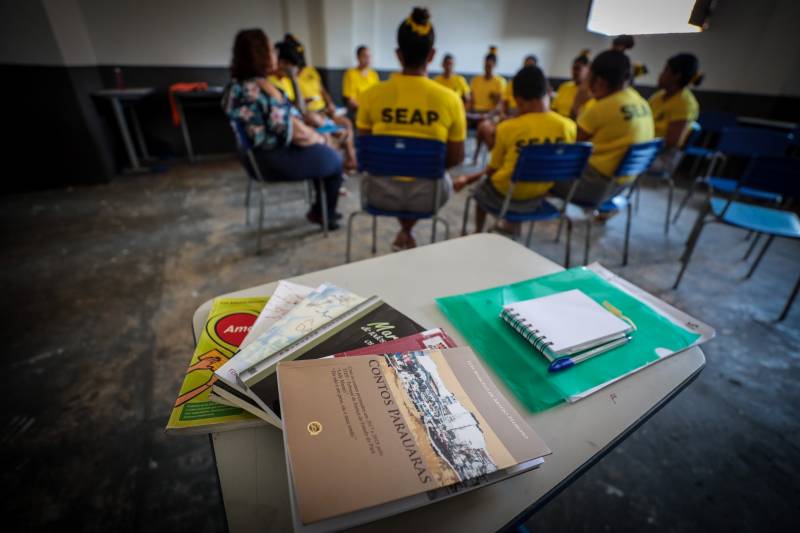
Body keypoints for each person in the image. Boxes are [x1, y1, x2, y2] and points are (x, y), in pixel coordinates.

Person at [357, 7, 466, 251]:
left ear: (398, 54)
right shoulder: (451, 100)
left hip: (379, 194)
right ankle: (408, 231)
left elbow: (365, 152)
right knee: (437, 177)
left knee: (389, 168)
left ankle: (404, 231)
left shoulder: (371, 95)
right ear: (432, 54)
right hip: (428, 197)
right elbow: (456, 158)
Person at [222, 29, 343, 230]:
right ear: (260, 54)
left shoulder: (234, 88)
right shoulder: (265, 90)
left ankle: (320, 209)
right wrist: (321, 139)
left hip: (251, 159)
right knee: (334, 160)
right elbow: (297, 134)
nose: (275, 54)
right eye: (271, 49)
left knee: (319, 154)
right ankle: (323, 213)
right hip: (273, 160)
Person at [454, 65, 576, 234]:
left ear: (518, 100)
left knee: (482, 189)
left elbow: (492, 170)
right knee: (526, 174)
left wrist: (467, 178)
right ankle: (512, 225)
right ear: (548, 92)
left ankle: (478, 232)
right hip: (540, 193)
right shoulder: (569, 127)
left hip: (506, 195)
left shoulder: (508, 128)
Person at [550, 50, 654, 206]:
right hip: (622, 186)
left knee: (535, 169)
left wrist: (577, 104)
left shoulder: (604, 107)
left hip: (594, 186)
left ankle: (521, 214)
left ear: (599, 80)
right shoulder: (641, 101)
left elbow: (570, 146)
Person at [275, 34, 357, 171]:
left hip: (316, 114)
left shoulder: (298, 75)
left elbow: (320, 92)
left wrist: (329, 105)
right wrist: (294, 79)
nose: (295, 69)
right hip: (302, 120)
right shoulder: (281, 81)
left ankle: (348, 162)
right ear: (282, 63)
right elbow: (298, 109)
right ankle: (332, 166)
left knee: (344, 124)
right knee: (322, 132)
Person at [647, 53, 702, 172]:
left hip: (664, 156)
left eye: (665, 70)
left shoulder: (684, 103)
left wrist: (641, 145)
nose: (660, 74)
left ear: (677, 76)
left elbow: (672, 142)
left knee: (617, 159)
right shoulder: (658, 97)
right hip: (644, 148)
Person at [470, 47, 506, 164]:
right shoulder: (476, 80)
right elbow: (471, 100)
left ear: (495, 66)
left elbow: (500, 105)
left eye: (489, 66)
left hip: (490, 114)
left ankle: (478, 155)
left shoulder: (499, 82)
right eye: (485, 66)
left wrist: (489, 113)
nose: (487, 68)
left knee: (482, 125)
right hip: (475, 112)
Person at [551, 49, 591, 118]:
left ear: (588, 70)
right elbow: (554, 108)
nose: (575, 72)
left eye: (578, 69)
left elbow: (585, 117)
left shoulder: (589, 91)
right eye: (573, 68)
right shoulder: (564, 86)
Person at [342, 45, 380, 113]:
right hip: (358, 111)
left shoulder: (374, 74)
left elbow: (377, 95)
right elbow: (350, 100)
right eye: (365, 56)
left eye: (369, 56)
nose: (368, 59)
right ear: (358, 57)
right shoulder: (350, 74)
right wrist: (365, 111)